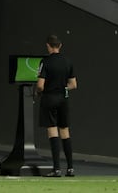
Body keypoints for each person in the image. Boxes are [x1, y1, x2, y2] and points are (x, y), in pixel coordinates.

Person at [36, 35, 77, 177]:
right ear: (60, 46)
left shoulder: (45, 62)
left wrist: (38, 92)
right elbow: (73, 84)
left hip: (49, 98)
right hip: (63, 99)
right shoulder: (68, 62)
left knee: (52, 131)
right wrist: (63, 89)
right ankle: (70, 168)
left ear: (48, 46)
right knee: (65, 131)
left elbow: (40, 85)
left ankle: (57, 169)